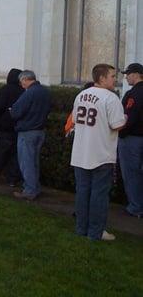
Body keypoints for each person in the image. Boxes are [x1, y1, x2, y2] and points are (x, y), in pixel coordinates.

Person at [71, 64, 126, 241]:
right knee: (99, 195)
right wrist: (125, 118)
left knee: (83, 192)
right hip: (101, 154)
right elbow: (117, 125)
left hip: (80, 152)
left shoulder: (81, 95)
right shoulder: (110, 98)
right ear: (102, 78)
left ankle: (81, 228)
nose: (114, 79)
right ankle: (96, 232)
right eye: (112, 76)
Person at [10, 70, 51, 200]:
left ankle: (29, 190)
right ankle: (35, 187)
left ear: (26, 79)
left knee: (26, 162)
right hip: (40, 130)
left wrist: (12, 111)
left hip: (27, 131)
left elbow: (16, 111)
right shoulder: (44, 91)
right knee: (34, 162)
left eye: (22, 82)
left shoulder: (29, 93)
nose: (21, 85)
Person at [119, 63, 143, 219]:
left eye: (127, 74)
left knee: (132, 174)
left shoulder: (134, 93)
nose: (126, 77)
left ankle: (136, 207)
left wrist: (120, 132)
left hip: (132, 139)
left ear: (136, 74)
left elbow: (127, 118)